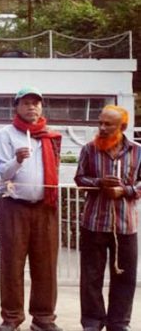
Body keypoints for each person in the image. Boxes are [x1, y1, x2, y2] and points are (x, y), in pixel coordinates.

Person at [0, 88, 63, 331]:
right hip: (14, 205)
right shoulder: (5, 134)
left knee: (46, 264)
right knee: (12, 264)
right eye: (26, 103)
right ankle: (12, 317)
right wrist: (18, 160)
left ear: (42, 107)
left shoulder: (51, 136)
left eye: (36, 103)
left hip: (45, 207)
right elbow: (2, 172)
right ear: (17, 107)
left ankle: (44, 318)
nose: (31, 107)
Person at [74, 105, 138, 331]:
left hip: (125, 225)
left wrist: (126, 191)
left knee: (125, 278)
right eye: (100, 122)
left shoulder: (137, 151)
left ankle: (119, 322)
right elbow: (80, 178)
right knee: (91, 277)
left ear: (123, 127)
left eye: (107, 124)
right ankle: (92, 322)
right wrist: (98, 183)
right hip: (94, 223)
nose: (101, 128)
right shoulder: (89, 149)